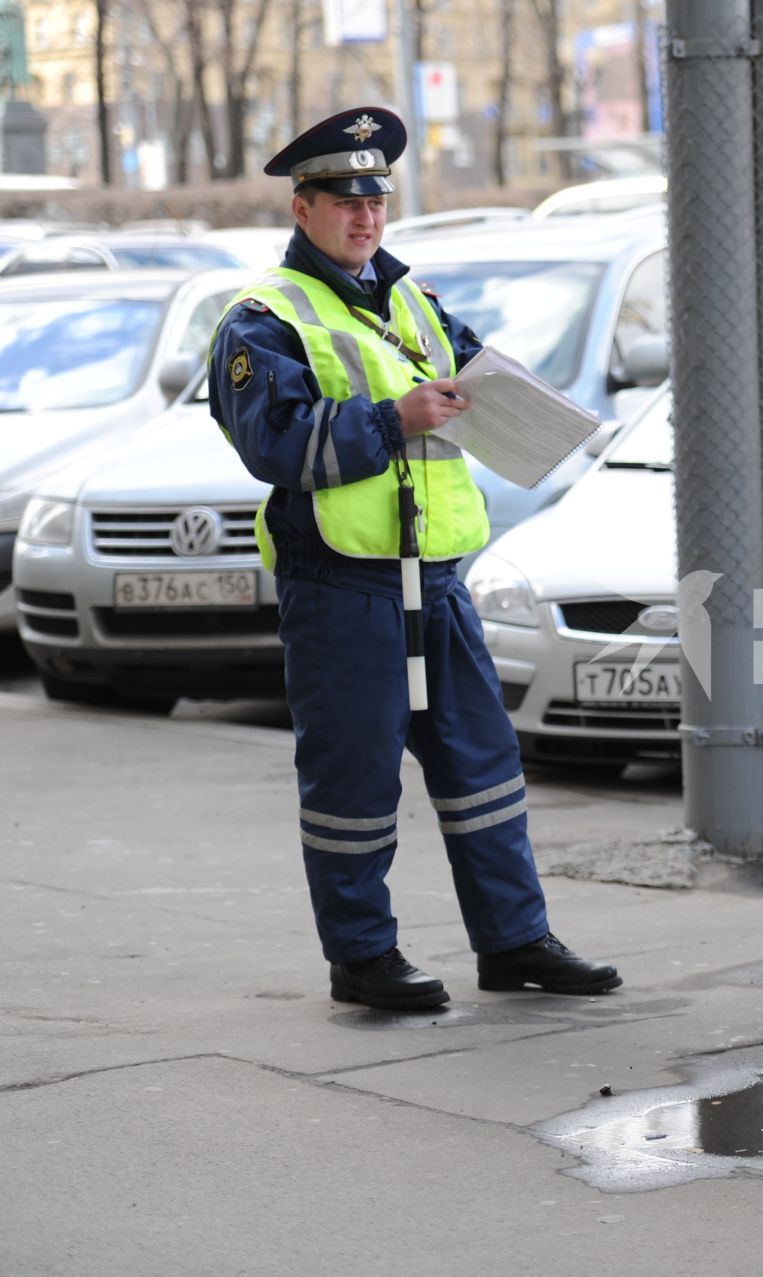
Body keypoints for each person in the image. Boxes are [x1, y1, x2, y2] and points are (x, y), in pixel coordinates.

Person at [207, 107, 619, 1011]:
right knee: (353, 780)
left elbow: (479, 383)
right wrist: (396, 419)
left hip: (436, 580)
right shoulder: (263, 321)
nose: (365, 218)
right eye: (345, 202)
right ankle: (362, 958)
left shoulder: (412, 302)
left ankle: (515, 942)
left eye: (376, 201)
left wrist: (557, 426)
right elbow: (276, 445)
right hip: (342, 587)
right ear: (303, 206)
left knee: (484, 769)